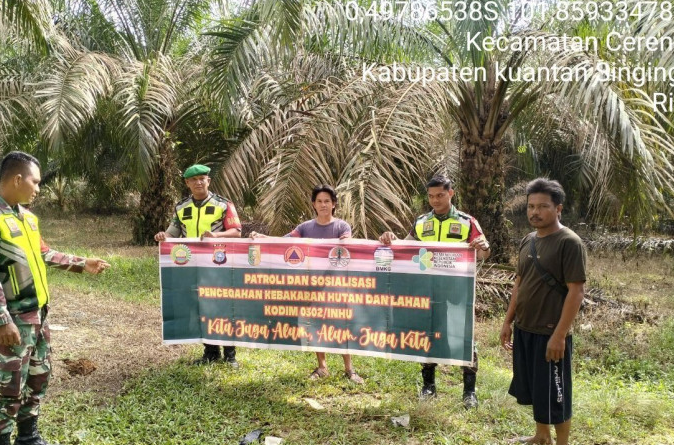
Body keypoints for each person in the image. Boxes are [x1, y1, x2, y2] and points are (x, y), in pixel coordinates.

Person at [0, 151, 110, 445]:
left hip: (37, 315)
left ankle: (28, 439)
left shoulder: (27, 218)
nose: (38, 188)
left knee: (37, 376)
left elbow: (43, 253)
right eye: (35, 181)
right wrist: (0, 319)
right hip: (12, 320)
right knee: (7, 383)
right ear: (17, 179)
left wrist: (80, 262)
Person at [379, 175, 491, 408]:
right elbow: (404, 248)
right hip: (428, 290)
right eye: (430, 196)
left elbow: (483, 253)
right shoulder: (421, 222)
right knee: (428, 334)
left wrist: (483, 247)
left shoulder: (467, 221)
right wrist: (390, 239)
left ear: (451, 193)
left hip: (458, 291)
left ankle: (469, 392)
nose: (435, 200)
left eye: (440, 195)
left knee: (464, 336)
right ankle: (428, 386)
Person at [500, 178, 586, 445]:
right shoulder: (529, 240)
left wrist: (559, 335)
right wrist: (508, 321)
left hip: (550, 332)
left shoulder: (569, 243)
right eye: (531, 206)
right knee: (536, 388)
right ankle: (541, 435)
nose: (535, 212)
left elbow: (576, 290)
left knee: (557, 392)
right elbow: (519, 283)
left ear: (558, 208)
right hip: (525, 328)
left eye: (543, 206)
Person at [250, 184, 364, 384]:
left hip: (337, 284)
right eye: (319, 201)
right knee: (317, 324)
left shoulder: (342, 226)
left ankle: (350, 369)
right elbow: (283, 242)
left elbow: (346, 245)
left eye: (327, 201)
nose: (323, 205)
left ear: (334, 204)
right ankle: (322, 367)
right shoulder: (305, 227)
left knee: (341, 324)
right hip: (312, 285)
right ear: (313, 204)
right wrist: (263, 238)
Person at [154, 164, 242, 366]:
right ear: (187, 183)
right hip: (190, 266)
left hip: (219, 264)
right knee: (200, 306)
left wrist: (216, 235)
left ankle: (230, 355)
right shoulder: (181, 207)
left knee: (222, 306)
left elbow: (237, 231)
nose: (199, 182)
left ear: (208, 181)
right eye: (194, 179)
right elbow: (173, 232)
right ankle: (210, 352)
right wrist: (163, 236)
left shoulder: (223, 204)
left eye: (202, 178)